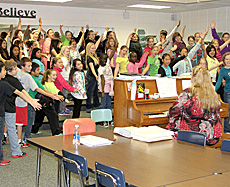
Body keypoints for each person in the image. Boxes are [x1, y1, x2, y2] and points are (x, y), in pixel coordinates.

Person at [167, 66, 222, 146]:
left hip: (194, 133)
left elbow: (174, 111)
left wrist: (168, 114)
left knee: (171, 129)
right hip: (213, 134)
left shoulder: (188, 93)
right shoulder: (213, 93)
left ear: (194, 77)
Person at [0, 62, 40, 166]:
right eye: (14, 69)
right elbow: (20, 92)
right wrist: (31, 101)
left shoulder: (4, 80)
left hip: (4, 108)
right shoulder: (10, 81)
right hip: (8, 109)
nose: (17, 70)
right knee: (11, 129)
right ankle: (16, 151)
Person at [215, 52, 230, 133]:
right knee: (228, 112)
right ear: (224, 60)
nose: (228, 61)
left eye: (229, 59)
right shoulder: (222, 70)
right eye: (227, 59)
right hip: (228, 93)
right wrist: (214, 91)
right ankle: (227, 131)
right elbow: (219, 82)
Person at [85, 42, 101, 113]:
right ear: (89, 49)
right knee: (90, 92)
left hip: (94, 76)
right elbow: (92, 68)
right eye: (92, 48)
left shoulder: (94, 56)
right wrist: (96, 76)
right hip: (91, 76)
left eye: (94, 48)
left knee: (95, 92)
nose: (94, 49)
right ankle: (88, 106)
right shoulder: (89, 58)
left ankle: (96, 104)